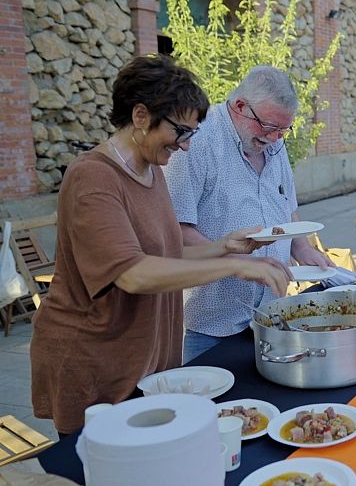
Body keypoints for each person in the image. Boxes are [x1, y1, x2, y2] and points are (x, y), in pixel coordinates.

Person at [30, 55, 290, 436]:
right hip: (97, 361)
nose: (185, 147)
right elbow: (133, 273)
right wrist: (235, 266)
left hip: (146, 358)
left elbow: (165, 257)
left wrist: (225, 246)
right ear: (140, 116)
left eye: (191, 134)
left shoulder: (150, 171)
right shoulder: (93, 177)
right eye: (181, 132)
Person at [164, 66, 334, 363]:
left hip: (272, 313)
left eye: (284, 130)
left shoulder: (275, 141)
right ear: (241, 107)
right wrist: (239, 263)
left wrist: (303, 247)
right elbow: (176, 230)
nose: (275, 137)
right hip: (213, 321)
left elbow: (286, 204)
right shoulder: (197, 141)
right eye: (269, 127)